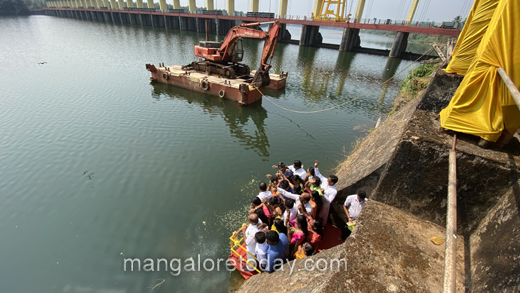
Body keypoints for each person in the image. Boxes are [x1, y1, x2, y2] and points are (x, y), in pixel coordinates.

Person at [314, 160, 338, 227]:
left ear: (332, 183)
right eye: (328, 179)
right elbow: (319, 175)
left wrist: (323, 193)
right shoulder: (325, 180)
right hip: (318, 200)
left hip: (325, 204)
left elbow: (329, 201)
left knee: (322, 216)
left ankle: (322, 226)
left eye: (329, 180)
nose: (327, 180)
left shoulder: (334, 191)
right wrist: (316, 167)